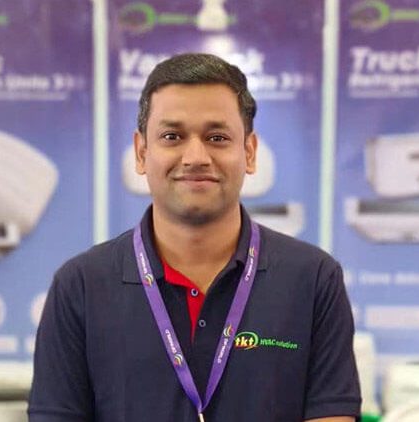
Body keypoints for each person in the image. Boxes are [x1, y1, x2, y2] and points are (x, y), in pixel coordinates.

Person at [28, 53, 361, 422]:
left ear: (249, 152)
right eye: (172, 136)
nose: (196, 156)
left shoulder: (313, 279)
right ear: (142, 153)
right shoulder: (80, 286)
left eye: (217, 137)